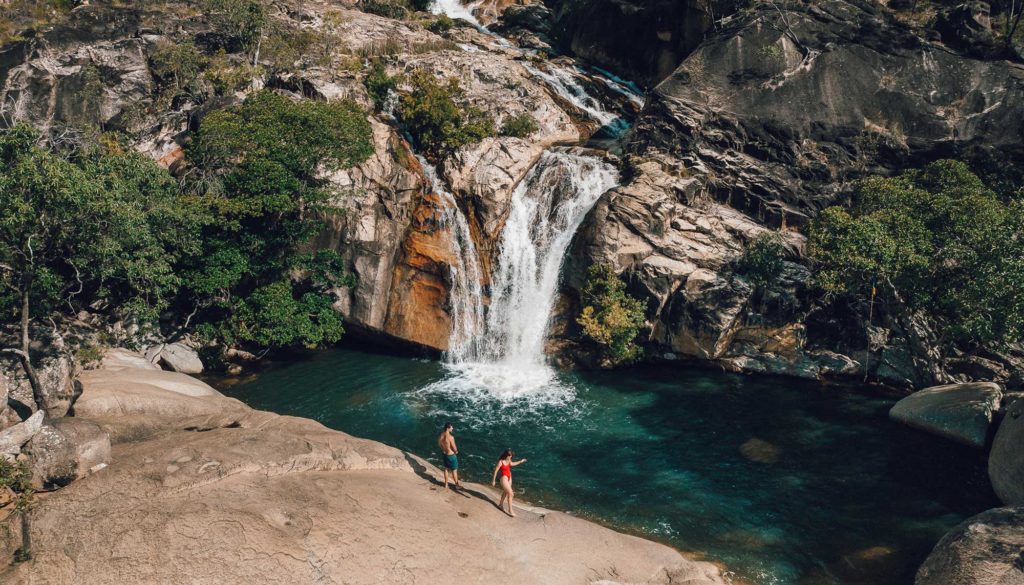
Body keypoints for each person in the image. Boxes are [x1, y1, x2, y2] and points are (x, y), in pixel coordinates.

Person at [491, 449, 527, 517]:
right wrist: (493, 480)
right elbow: (496, 471)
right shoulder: (501, 462)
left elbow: (512, 464)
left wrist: (520, 461)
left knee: (505, 491)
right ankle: (510, 510)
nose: (511, 457)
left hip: (509, 477)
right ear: (507, 455)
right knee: (511, 493)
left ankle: (500, 505)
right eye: (510, 455)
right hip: (503, 478)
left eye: (511, 456)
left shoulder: (509, 460)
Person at [437, 422, 460, 489]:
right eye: (451, 427)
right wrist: (456, 451)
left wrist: (443, 449)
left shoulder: (442, 435)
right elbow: (454, 448)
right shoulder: (451, 437)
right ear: (448, 428)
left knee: (446, 469)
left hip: (444, 454)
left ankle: (446, 484)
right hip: (451, 455)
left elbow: (439, 443)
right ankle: (457, 485)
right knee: (454, 470)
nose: (452, 428)